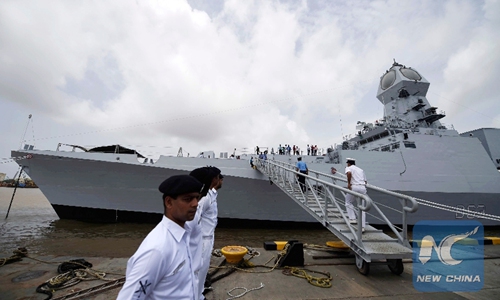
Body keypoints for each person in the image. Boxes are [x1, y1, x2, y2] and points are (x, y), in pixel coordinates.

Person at [117, 175, 204, 300]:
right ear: (169, 202)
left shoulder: (184, 235)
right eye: (188, 199)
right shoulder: (157, 250)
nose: (195, 204)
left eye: (197, 198)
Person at [188, 166, 222, 300]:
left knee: (203, 271)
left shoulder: (212, 195)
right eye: (219, 178)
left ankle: (199, 295)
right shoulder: (206, 198)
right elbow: (193, 218)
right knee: (198, 271)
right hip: (203, 239)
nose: (221, 181)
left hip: (209, 237)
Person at [345, 158, 367, 232]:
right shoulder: (361, 170)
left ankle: (352, 219)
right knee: (362, 208)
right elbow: (365, 181)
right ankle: (362, 227)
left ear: (348, 163)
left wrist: (348, 183)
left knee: (348, 202)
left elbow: (349, 173)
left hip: (354, 187)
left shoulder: (348, 168)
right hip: (363, 188)